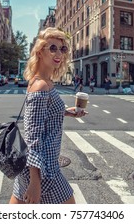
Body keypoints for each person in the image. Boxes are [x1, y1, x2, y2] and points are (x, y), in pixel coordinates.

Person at [9, 27, 87, 205]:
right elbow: (33, 137)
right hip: (45, 170)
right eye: (52, 48)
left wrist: (68, 112)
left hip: (42, 167)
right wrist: (35, 183)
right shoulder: (41, 86)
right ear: (39, 52)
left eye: (62, 49)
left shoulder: (44, 82)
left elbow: (44, 116)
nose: (58, 53)